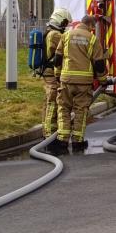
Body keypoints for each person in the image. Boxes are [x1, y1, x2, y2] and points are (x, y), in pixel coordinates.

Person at [52, 15, 105, 154]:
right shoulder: (92, 39)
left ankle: (62, 139)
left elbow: (57, 58)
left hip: (66, 80)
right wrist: (104, 80)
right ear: (91, 26)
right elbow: (99, 64)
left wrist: (58, 75)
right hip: (83, 83)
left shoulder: (66, 35)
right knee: (80, 111)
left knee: (63, 108)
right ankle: (77, 141)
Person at [41, 8, 71, 138]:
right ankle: (49, 135)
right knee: (52, 102)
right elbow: (66, 49)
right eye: (64, 23)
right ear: (59, 20)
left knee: (49, 102)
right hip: (51, 73)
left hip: (48, 73)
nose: (65, 26)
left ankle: (47, 131)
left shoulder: (50, 32)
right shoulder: (55, 35)